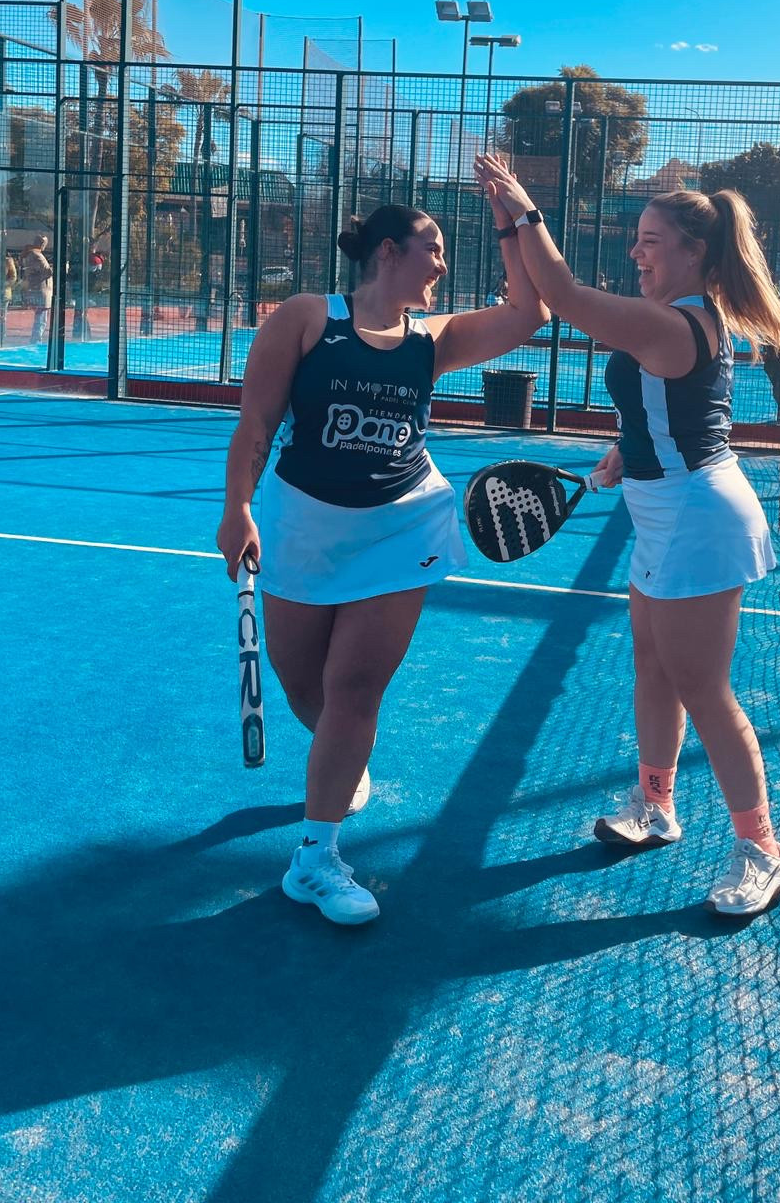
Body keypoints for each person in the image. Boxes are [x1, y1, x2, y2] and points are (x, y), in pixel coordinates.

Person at [475, 152, 780, 917]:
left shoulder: (675, 320)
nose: (636, 252)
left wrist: (526, 210)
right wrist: (628, 449)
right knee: (654, 668)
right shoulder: (680, 321)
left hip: (699, 519)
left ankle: (765, 851)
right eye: (637, 240)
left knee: (704, 688)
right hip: (666, 507)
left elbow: (561, 295)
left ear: (695, 253)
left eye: (651, 241)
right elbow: (675, 406)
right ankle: (656, 807)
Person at [216, 196, 548, 926]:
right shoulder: (307, 318)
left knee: (355, 688)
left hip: (403, 527)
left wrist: (513, 221)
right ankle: (344, 757)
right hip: (303, 526)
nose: (442, 265)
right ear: (389, 252)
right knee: (305, 687)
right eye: (433, 249)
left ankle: (315, 858)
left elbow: (530, 313)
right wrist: (237, 508)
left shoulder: (434, 338)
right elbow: (258, 422)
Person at [24, 234, 54, 343]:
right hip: (41, 290)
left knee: (40, 317)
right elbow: (47, 271)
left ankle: (36, 339)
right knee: (41, 319)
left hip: (37, 289)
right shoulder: (37, 255)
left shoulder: (31, 255)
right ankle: (36, 340)